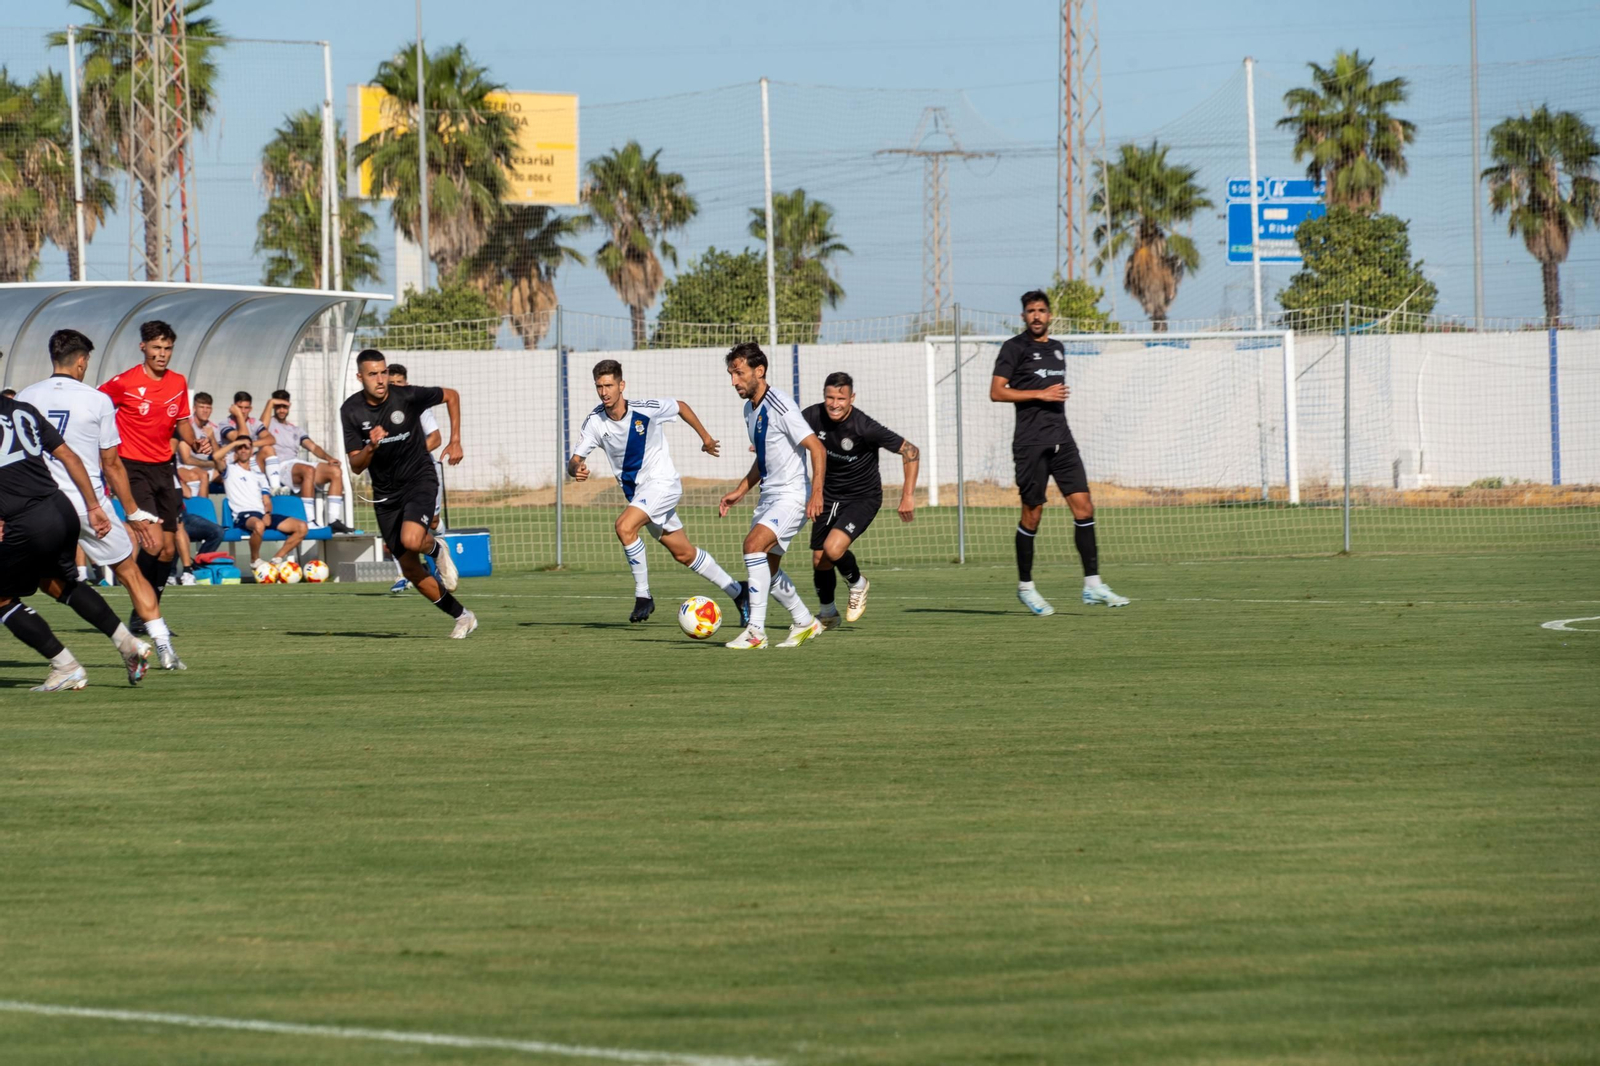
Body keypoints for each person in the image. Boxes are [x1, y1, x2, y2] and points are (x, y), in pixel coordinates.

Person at [16, 329, 188, 670]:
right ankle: (164, 647)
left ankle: (73, 658)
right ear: (82, 361)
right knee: (130, 573)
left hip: (40, 506)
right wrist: (133, 511)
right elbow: (112, 464)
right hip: (88, 504)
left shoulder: (26, 396)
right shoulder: (97, 400)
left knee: (46, 581)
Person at [567, 359, 749, 625]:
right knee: (684, 553)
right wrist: (576, 469)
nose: (604, 392)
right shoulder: (595, 421)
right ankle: (739, 592)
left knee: (624, 527)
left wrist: (706, 438)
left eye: (609, 385)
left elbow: (681, 406)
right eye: (599, 386)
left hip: (663, 484)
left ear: (621, 385)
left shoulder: (645, 409)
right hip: (640, 495)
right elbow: (574, 460)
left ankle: (643, 595)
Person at [990, 289, 1129, 615]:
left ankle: (1093, 585)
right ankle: (1026, 587)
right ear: (1023, 316)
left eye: (1041, 310)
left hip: (1062, 440)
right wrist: (1040, 394)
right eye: (1030, 311)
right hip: (1030, 443)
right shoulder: (1013, 348)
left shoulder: (1058, 348)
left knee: (1084, 506)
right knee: (1032, 514)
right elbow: (997, 392)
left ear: (1050, 315)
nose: (1036, 316)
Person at [0, 388, 145, 690]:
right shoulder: (23, 409)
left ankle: (65, 666)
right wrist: (93, 506)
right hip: (60, 508)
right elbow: (69, 456)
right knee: (57, 582)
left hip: (25, 519)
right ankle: (127, 642)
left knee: (2, 599)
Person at [341, 349, 475, 638]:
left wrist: (455, 440)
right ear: (360, 377)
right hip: (385, 495)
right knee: (411, 569)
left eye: (383, 372)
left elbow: (451, 395)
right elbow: (355, 465)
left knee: (412, 539)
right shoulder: (350, 410)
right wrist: (371, 447)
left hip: (419, 479)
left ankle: (437, 549)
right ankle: (463, 616)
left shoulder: (407, 396)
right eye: (373, 374)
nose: (380, 379)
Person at [98, 319, 212, 632]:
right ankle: (145, 613)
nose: (162, 354)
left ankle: (146, 615)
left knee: (169, 549)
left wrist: (194, 441)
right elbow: (94, 405)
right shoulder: (124, 382)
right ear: (143, 347)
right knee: (152, 543)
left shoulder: (177, 382)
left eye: (167, 348)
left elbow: (182, 422)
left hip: (165, 470)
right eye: (156, 347)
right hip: (132, 469)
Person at [717, 342, 827, 650]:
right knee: (768, 566)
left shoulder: (780, 404)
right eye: (731, 374)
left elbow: (817, 448)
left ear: (759, 371)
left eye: (739, 373)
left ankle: (756, 632)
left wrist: (816, 493)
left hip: (792, 495)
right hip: (769, 497)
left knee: (753, 546)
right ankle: (805, 622)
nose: (734, 381)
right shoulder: (749, 410)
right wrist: (741, 490)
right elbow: (763, 457)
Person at [801, 371, 920, 628]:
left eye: (841, 398)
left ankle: (858, 583)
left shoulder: (864, 426)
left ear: (851, 398)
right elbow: (788, 431)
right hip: (829, 496)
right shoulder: (812, 415)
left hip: (862, 497)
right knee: (820, 559)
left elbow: (911, 451)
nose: (834, 404)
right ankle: (828, 614)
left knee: (833, 549)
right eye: (830, 397)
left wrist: (907, 496)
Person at [384, 364, 444, 593]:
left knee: (433, 523)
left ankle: (440, 559)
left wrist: (409, 455)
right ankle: (403, 574)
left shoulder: (418, 406)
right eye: (391, 384)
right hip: (395, 477)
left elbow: (436, 438)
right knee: (399, 525)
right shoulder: (377, 411)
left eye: (399, 383)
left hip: (424, 472)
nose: (395, 387)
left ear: (406, 384)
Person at [264, 389, 353, 533]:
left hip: (296, 464)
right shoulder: (269, 424)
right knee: (308, 470)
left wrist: (329, 458)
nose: (281, 410)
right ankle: (309, 520)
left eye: (284, 406)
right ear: (273, 406)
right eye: (278, 406)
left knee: (335, 471)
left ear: (289, 406)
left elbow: (312, 447)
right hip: (280, 466)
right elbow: (261, 428)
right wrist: (270, 403)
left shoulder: (295, 429)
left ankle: (333, 520)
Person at [220, 438, 308, 575]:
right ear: (235, 451)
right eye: (240, 447)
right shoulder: (230, 470)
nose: (243, 450)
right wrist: (234, 443)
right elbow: (215, 457)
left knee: (302, 527)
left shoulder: (259, 475)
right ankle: (255, 560)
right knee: (259, 525)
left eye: (246, 447)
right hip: (243, 515)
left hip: (262, 513)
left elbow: (266, 501)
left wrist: (267, 514)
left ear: (251, 451)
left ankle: (276, 560)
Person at [177, 391, 221, 497]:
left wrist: (212, 438)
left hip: (204, 466)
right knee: (203, 476)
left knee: (230, 476)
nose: (205, 411)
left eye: (208, 407)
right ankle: (202, 506)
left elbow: (219, 456)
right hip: (184, 466)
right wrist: (212, 464)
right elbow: (186, 459)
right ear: (194, 408)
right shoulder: (187, 426)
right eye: (202, 407)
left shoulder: (213, 428)